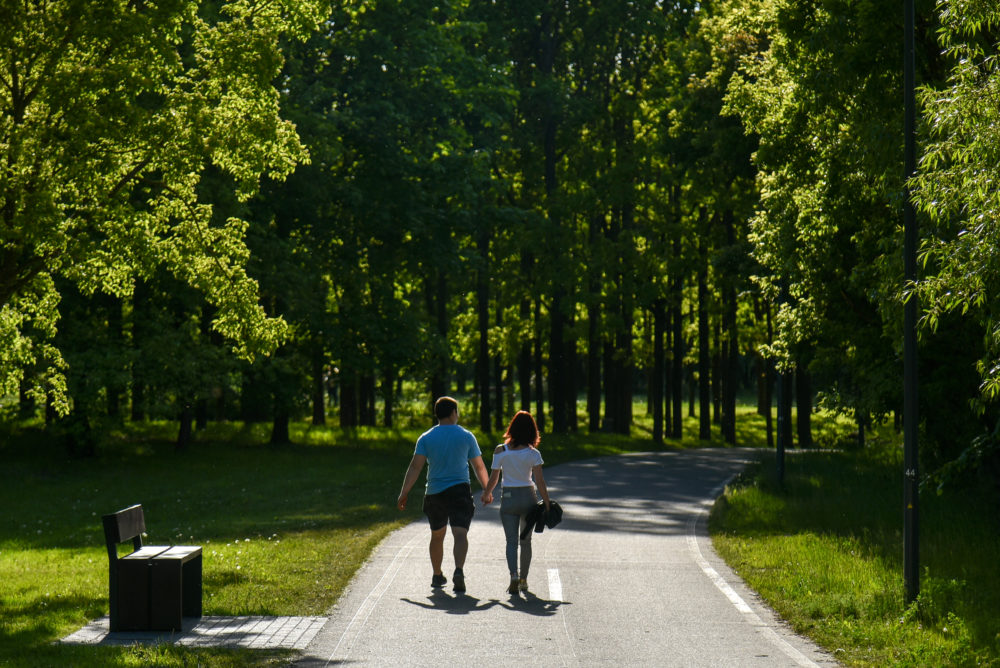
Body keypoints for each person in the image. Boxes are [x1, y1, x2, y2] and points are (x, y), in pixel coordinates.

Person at [397, 396, 489, 594]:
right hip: (460, 491)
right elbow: (478, 466)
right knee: (460, 533)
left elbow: (415, 467)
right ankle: (459, 570)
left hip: (435, 493)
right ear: (453, 413)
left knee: (437, 535)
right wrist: (487, 490)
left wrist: (404, 493)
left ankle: (437, 575)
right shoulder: (466, 436)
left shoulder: (426, 437)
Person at [481, 410, 550, 596]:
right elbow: (540, 481)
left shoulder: (500, 450)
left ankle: (513, 575)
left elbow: (494, 477)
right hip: (528, 497)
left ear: (512, 428)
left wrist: (487, 494)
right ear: (532, 431)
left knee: (511, 542)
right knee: (525, 541)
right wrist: (548, 503)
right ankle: (524, 580)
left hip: (509, 498)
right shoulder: (533, 454)